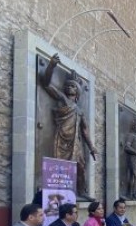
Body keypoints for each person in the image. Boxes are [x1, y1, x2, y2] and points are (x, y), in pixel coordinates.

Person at [38, 54, 98, 197]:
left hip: (75, 141)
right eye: (68, 85)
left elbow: (85, 130)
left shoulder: (80, 110)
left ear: (77, 91)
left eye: (73, 86)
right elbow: (46, 84)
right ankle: (60, 194)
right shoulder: (62, 99)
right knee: (61, 166)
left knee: (80, 166)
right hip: (62, 138)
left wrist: (92, 147)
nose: (70, 87)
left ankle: (81, 192)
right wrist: (51, 66)